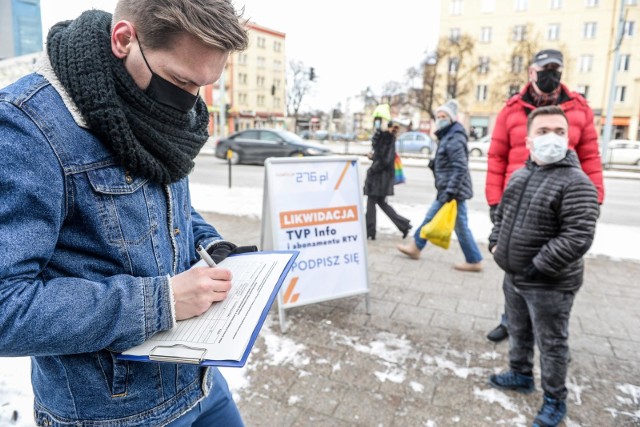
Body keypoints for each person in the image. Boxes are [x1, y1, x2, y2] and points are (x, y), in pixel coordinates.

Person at [0, 1, 251, 426]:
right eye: (180, 81)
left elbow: (170, 210)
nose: (190, 103)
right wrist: (162, 301)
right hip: (115, 412)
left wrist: (212, 246)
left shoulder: (156, 114)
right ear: (123, 40)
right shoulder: (27, 127)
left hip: (200, 381)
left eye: (205, 85)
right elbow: (7, 309)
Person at [487, 105, 599, 427]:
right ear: (528, 140)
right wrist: (495, 245)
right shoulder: (520, 175)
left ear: (569, 138)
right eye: (544, 131)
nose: (552, 138)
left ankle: (554, 400)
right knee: (519, 331)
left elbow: (578, 235)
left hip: (549, 283)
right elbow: (502, 216)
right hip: (514, 277)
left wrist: (540, 265)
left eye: (560, 132)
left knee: (551, 344)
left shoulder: (576, 182)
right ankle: (520, 374)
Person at [485, 48, 605, 343]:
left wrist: (596, 197)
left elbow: (590, 156)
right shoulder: (511, 109)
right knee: (514, 265)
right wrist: (495, 200)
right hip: (517, 199)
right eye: (544, 70)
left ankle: (550, 332)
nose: (550, 76)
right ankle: (511, 321)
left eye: (556, 70)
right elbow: (497, 157)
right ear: (531, 72)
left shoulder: (578, 109)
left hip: (557, 200)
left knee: (551, 267)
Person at [397, 100, 483, 272]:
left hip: (453, 191)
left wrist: (450, 191)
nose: (440, 119)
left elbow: (460, 168)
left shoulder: (455, 137)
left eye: (444, 116)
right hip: (449, 189)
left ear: (451, 119)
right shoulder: (448, 135)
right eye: (438, 116)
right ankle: (416, 247)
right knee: (442, 220)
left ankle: (474, 260)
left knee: (456, 225)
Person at [363, 121, 412, 240]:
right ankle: (404, 225)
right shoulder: (387, 138)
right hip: (382, 179)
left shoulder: (386, 138)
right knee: (381, 203)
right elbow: (382, 156)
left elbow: (384, 160)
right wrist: (373, 157)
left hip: (379, 179)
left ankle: (369, 231)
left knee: (371, 203)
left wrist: (372, 170)